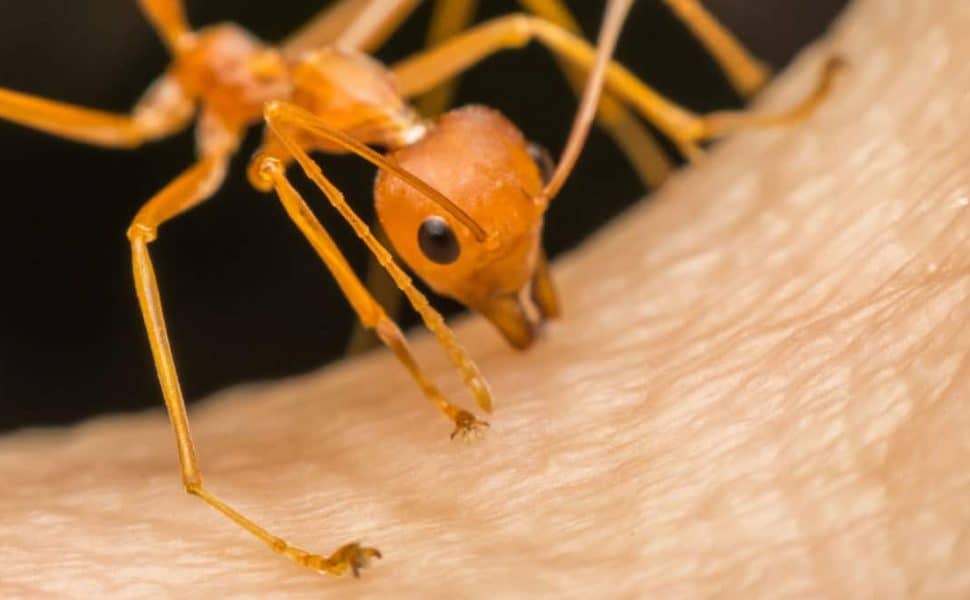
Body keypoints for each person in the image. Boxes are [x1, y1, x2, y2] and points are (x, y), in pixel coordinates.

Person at [1, 0, 967, 595]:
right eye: (438, 241)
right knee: (158, 223)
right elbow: (285, 155)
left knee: (527, 21)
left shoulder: (342, 110)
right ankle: (205, 481)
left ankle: (716, 105)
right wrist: (409, 342)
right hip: (234, 114)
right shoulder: (284, 126)